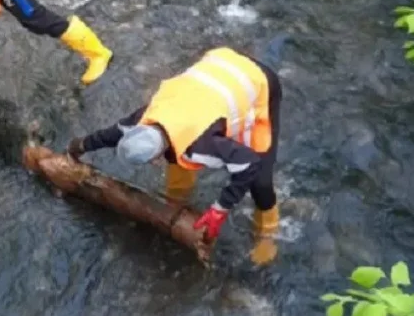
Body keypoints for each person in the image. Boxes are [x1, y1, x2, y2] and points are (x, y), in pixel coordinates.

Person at [66, 46, 282, 264]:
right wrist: (77, 148)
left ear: (154, 158)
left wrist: (220, 209)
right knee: (179, 156)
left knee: (260, 179)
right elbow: (108, 136)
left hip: (258, 83)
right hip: (218, 65)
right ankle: (176, 202)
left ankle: (267, 234)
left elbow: (248, 164)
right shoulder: (142, 120)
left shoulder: (201, 145)